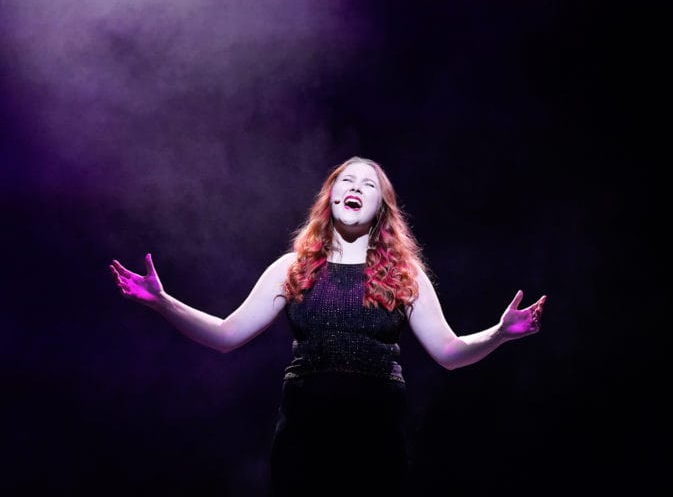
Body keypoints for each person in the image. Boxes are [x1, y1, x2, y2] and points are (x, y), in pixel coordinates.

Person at [108, 156, 546, 496]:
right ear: (331, 196)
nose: (356, 187)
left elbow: (448, 353)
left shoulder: (405, 274)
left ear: (381, 209)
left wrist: (500, 333)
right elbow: (226, 335)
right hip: (306, 434)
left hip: (375, 438)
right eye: (347, 181)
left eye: (368, 184)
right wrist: (163, 303)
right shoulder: (293, 268)